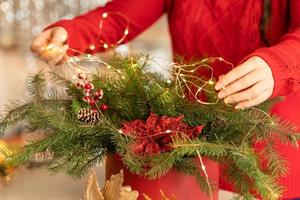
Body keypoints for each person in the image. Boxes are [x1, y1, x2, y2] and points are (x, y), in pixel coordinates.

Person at [31, 0, 300, 198]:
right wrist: (71, 34)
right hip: (193, 149)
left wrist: (279, 64)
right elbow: (121, 16)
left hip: (270, 156)